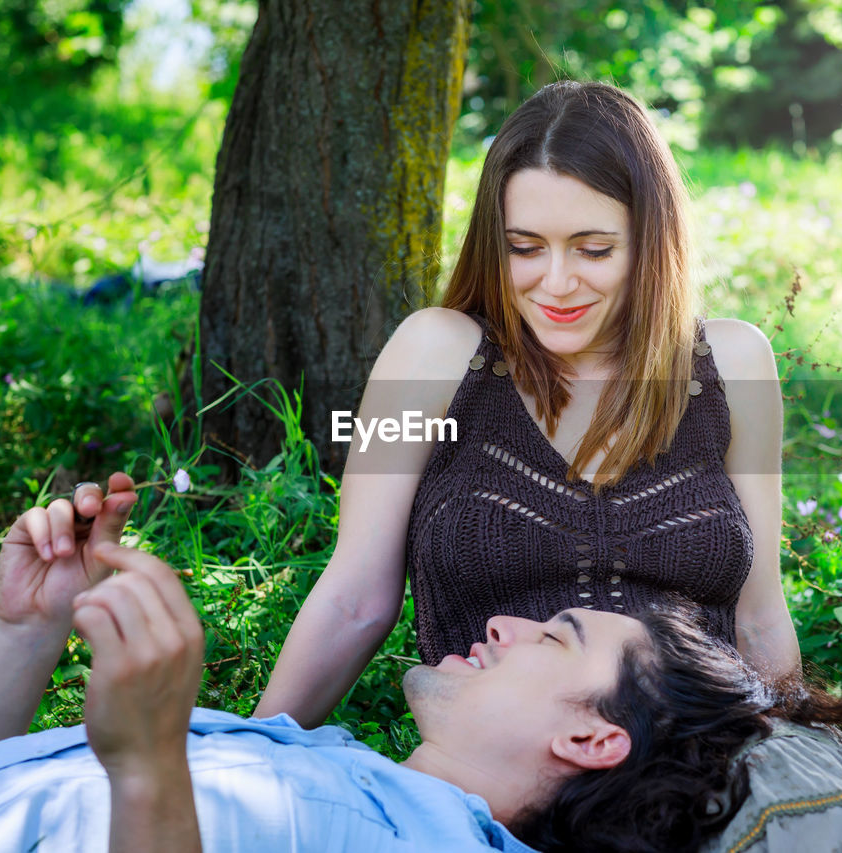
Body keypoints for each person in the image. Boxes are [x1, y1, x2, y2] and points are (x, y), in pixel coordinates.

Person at [0, 478, 842, 853]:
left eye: (554, 638)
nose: (506, 624)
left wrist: (152, 761)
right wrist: (26, 634)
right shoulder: (323, 766)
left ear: (590, 737)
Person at [258, 79, 798, 730]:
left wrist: (802, 774)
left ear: (651, 243)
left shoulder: (734, 366)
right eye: (525, 247)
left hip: (697, 772)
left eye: (593, 249)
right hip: (505, 777)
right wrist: (256, 750)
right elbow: (355, 600)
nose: (558, 282)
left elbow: (760, 617)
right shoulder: (435, 355)